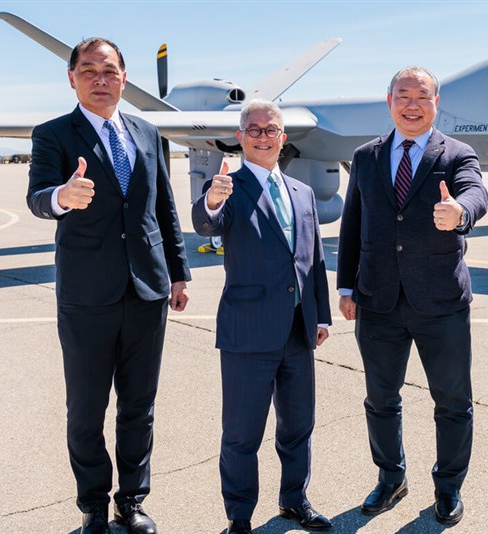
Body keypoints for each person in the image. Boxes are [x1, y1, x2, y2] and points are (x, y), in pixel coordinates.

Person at [26, 38, 191, 534]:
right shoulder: (53, 134)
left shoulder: (147, 131)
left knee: (139, 405)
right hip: (87, 295)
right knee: (87, 407)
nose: (101, 79)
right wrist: (62, 195)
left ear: (124, 77)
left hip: (147, 289)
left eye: (110, 70)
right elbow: (37, 196)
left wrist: (179, 271)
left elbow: (163, 207)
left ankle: (132, 501)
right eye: (89, 70)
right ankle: (94, 503)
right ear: (72, 78)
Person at [337, 66, 488, 526]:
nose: (412, 104)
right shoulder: (365, 156)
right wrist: (346, 285)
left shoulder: (457, 154)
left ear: (436, 103)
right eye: (403, 95)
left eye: (422, 96)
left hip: (440, 301)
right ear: (389, 102)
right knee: (381, 399)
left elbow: (476, 192)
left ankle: (448, 487)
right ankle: (390, 477)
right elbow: (352, 223)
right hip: (377, 300)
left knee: (452, 401)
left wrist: (460, 212)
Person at [192, 99, 332, 534]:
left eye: (271, 129)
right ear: (240, 136)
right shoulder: (229, 187)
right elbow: (206, 222)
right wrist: (211, 200)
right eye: (253, 129)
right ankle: (239, 515)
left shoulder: (302, 193)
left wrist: (321, 315)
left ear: (283, 138)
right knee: (241, 433)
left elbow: (315, 260)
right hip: (247, 332)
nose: (262, 136)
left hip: (297, 330)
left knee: (298, 426)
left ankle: (295, 500)